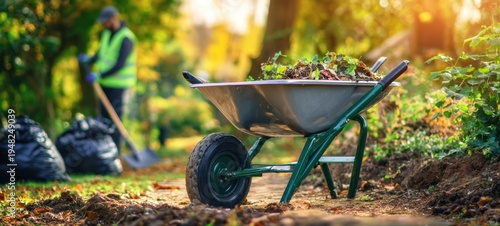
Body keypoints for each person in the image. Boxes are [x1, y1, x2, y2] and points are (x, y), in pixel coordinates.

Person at [78, 6, 137, 154]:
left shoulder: (126, 38)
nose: (103, 24)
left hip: (119, 85)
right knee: (103, 119)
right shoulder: (106, 34)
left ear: (114, 19)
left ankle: (115, 153)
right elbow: (100, 54)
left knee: (115, 120)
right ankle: (106, 152)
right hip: (104, 85)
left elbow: (120, 64)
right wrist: (89, 59)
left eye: (105, 21)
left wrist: (100, 75)